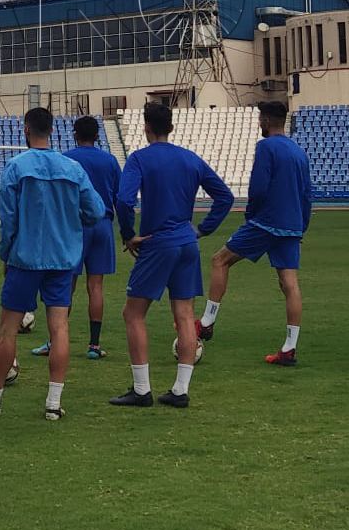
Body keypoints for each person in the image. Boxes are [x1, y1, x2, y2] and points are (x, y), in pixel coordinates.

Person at [0, 107, 104, 423]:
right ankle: (53, 403)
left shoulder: (15, 168)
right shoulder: (73, 168)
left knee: (7, 330)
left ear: (26, 130)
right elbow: (95, 211)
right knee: (60, 327)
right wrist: (70, 223)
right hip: (62, 259)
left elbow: (8, 221)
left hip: (25, 259)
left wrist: (6, 254)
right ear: (52, 130)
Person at [110, 102, 234, 409]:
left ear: (146, 126)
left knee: (133, 313)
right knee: (184, 316)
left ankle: (141, 389)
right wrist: (203, 230)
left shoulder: (139, 158)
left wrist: (128, 234)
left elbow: (124, 201)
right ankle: (180, 389)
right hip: (186, 244)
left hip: (157, 242)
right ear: (172, 127)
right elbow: (225, 196)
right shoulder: (190, 158)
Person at [197, 101, 313, 363]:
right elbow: (307, 194)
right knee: (289, 284)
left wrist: (252, 214)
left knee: (220, 260)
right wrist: (301, 226)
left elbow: (258, 187)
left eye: (260, 118)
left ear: (267, 121)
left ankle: (206, 322)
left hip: (266, 221)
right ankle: (289, 348)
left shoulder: (266, 147)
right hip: (292, 225)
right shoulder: (298, 152)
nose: (259, 123)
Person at [33, 116, 123, 362]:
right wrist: (125, 230)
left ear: (74, 134)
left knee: (66, 284)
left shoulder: (66, 159)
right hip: (103, 224)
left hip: (74, 226)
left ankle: (55, 341)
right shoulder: (110, 161)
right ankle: (94, 345)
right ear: (97, 136)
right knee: (96, 285)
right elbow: (120, 196)